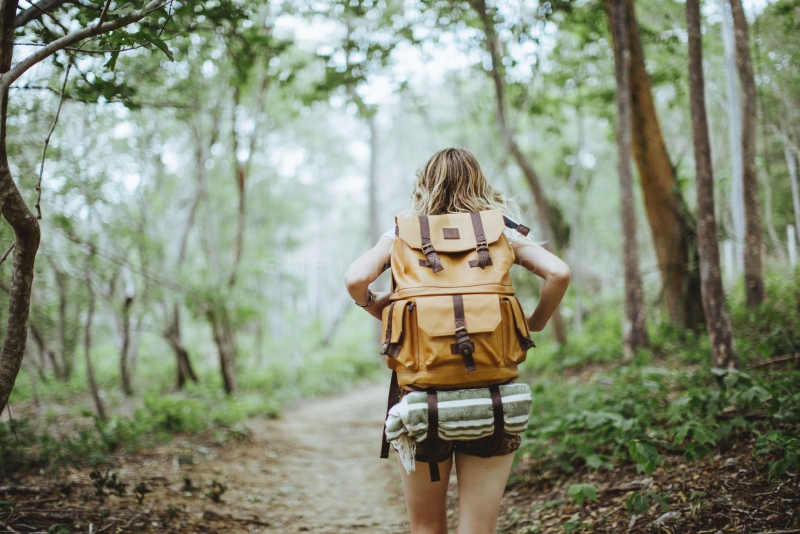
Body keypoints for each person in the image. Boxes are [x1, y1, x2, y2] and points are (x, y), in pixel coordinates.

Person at [344, 148, 570, 534]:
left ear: (424, 184)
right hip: (494, 399)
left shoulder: (402, 231)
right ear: (479, 182)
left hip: (419, 400)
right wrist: (536, 323)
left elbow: (355, 279)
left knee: (427, 527)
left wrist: (377, 307)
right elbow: (559, 273)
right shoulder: (501, 230)